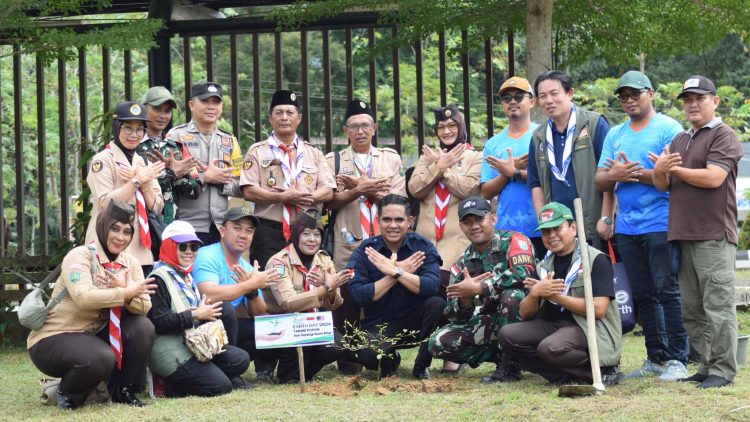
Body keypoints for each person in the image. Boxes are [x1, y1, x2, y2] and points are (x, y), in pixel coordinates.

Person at [594, 70, 689, 381]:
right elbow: (600, 180)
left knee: (667, 290)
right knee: (642, 293)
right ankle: (655, 357)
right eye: (623, 96)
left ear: (651, 93)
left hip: (660, 222)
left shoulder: (668, 128)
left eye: (635, 93)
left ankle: (678, 358)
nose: (629, 100)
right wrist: (616, 178)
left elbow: (673, 178)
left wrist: (633, 174)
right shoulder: (615, 134)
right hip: (627, 227)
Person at [650, 75, 742, 389]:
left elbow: (714, 177)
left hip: (714, 233)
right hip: (682, 233)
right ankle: (705, 365)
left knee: (717, 305)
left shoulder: (723, 134)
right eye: (687, 100)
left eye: (699, 98)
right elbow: (663, 185)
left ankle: (723, 370)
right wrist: (660, 172)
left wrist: (672, 169)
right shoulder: (679, 140)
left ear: (714, 101)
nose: (692, 105)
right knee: (692, 308)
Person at [28, 200, 156, 409]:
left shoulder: (130, 262)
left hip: (91, 335)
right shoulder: (81, 256)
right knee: (100, 357)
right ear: (103, 226)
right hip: (54, 337)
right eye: (115, 229)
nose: (120, 237)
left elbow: (145, 306)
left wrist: (129, 295)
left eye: (127, 232)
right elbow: (83, 297)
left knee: (143, 327)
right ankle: (66, 392)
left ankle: (122, 390)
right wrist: (123, 292)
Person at [498, 202, 623, 385]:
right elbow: (524, 313)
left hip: (587, 326)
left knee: (550, 348)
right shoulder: (543, 266)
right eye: (546, 231)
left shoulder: (595, 259)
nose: (552, 235)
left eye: (557, 228)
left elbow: (598, 310)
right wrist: (534, 294)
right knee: (508, 335)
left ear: (573, 228)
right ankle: (565, 376)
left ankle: (603, 372)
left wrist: (555, 297)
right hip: (553, 324)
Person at [325, 99, 405, 374]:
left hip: (385, 243)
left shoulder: (390, 158)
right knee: (346, 302)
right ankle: (348, 361)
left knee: (384, 301)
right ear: (346, 130)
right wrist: (358, 191)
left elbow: (396, 200)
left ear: (374, 128)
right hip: (348, 243)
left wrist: (361, 187)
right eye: (354, 126)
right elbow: (330, 201)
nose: (360, 131)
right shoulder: (333, 160)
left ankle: (382, 357)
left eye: (365, 126)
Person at [428, 196, 535, 383]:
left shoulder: (514, 241)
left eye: (479, 220)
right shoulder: (462, 263)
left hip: (525, 321)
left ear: (493, 218)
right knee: (438, 342)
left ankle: (511, 365)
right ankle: (501, 356)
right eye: (468, 222)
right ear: (461, 227)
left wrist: (481, 287)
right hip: (489, 323)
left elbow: (523, 274)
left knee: (511, 296)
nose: (474, 226)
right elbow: (453, 315)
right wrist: (465, 301)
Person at [147, 220, 252, 396]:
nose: (189, 252)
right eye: (182, 247)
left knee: (240, 359)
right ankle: (169, 385)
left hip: (193, 343)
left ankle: (208, 373)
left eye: (194, 247)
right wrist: (197, 314)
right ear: (169, 247)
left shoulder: (185, 274)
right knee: (221, 387)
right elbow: (159, 323)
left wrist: (203, 315)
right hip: (171, 351)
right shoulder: (157, 278)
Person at [347, 194, 445, 380]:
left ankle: (421, 366)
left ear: (409, 221)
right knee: (367, 355)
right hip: (380, 324)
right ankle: (391, 360)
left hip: (415, 322)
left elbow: (432, 286)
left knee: (437, 304)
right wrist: (395, 273)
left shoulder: (422, 247)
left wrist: (396, 271)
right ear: (378, 221)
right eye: (387, 219)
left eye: (399, 220)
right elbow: (358, 295)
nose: (393, 225)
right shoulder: (366, 251)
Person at [241, 89, 337, 269]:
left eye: (289, 113)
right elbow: (248, 190)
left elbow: (329, 190)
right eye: (279, 113)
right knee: (269, 281)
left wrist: (305, 197)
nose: (284, 117)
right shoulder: (257, 151)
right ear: (270, 119)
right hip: (269, 230)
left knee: (308, 281)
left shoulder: (313, 152)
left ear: (298, 118)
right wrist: (281, 197)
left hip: (307, 227)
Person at [192, 206, 282, 381]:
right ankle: (230, 371)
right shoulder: (207, 255)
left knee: (272, 328)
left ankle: (270, 371)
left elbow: (259, 312)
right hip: (200, 326)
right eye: (237, 228)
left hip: (227, 330)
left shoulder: (246, 266)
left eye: (249, 230)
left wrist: (252, 291)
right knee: (225, 309)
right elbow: (209, 295)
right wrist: (250, 283)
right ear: (223, 231)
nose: (243, 235)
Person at [526, 70, 614, 248]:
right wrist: (545, 224)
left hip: (593, 226)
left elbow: (609, 175)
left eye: (554, 93)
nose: (548, 100)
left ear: (570, 93)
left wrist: (606, 217)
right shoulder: (539, 136)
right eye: (542, 96)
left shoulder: (594, 124)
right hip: (558, 229)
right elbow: (535, 185)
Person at [261, 210, 351, 383]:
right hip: (277, 326)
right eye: (306, 234)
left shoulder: (324, 260)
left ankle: (305, 373)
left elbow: (335, 304)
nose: (312, 240)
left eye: (317, 235)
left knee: (338, 344)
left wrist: (330, 290)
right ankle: (286, 375)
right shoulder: (279, 262)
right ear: (295, 235)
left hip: (309, 324)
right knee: (303, 321)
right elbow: (288, 303)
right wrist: (324, 288)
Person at [408, 105, 482, 296]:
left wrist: (443, 169)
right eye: (441, 127)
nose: (446, 131)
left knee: (451, 298)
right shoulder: (428, 157)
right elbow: (415, 188)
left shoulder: (475, 156)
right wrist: (437, 165)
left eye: (452, 125)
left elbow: (469, 189)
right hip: (425, 245)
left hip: (457, 244)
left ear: (462, 126)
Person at [86, 101, 165, 275]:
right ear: (116, 128)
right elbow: (105, 202)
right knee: (110, 299)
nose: (134, 134)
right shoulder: (103, 160)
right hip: (109, 244)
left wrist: (144, 183)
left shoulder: (143, 161)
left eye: (139, 129)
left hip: (140, 248)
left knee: (141, 300)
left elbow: (157, 206)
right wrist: (136, 180)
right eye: (127, 128)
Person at [166, 82, 243, 245]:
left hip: (220, 227)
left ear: (221, 106)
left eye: (215, 102)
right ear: (191, 105)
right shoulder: (176, 136)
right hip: (186, 226)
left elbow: (241, 184)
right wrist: (204, 177)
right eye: (205, 101)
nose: (211, 107)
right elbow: (167, 179)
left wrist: (221, 182)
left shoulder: (229, 140)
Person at [481, 76, 544, 259]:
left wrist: (515, 172)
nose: (513, 102)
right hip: (505, 230)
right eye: (507, 98)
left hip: (543, 227)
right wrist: (507, 173)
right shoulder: (493, 144)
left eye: (519, 96)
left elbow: (552, 179)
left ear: (532, 101)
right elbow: (485, 192)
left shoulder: (543, 134)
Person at [136, 86, 202, 225]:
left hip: (171, 226)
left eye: (167, 111)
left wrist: (179, 175)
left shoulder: (176, 147)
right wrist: (170, 173)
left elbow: (195, 190)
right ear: (144, 108)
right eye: (157, 109)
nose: (163, 115)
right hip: (142, 224)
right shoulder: (133, 146)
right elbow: (133, 184)